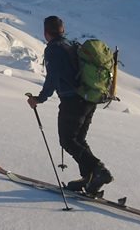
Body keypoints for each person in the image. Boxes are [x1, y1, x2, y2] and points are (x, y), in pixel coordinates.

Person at [26, 15, 113, 196]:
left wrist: (39, 99)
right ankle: (89, 179)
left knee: (68, 140)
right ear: (63, 30)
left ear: (45, 33)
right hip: (89, 98)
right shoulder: (72, 45)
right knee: (78, 140)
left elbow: (52, 79)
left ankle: (100, 171)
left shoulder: (54, 50)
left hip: (73, 101)